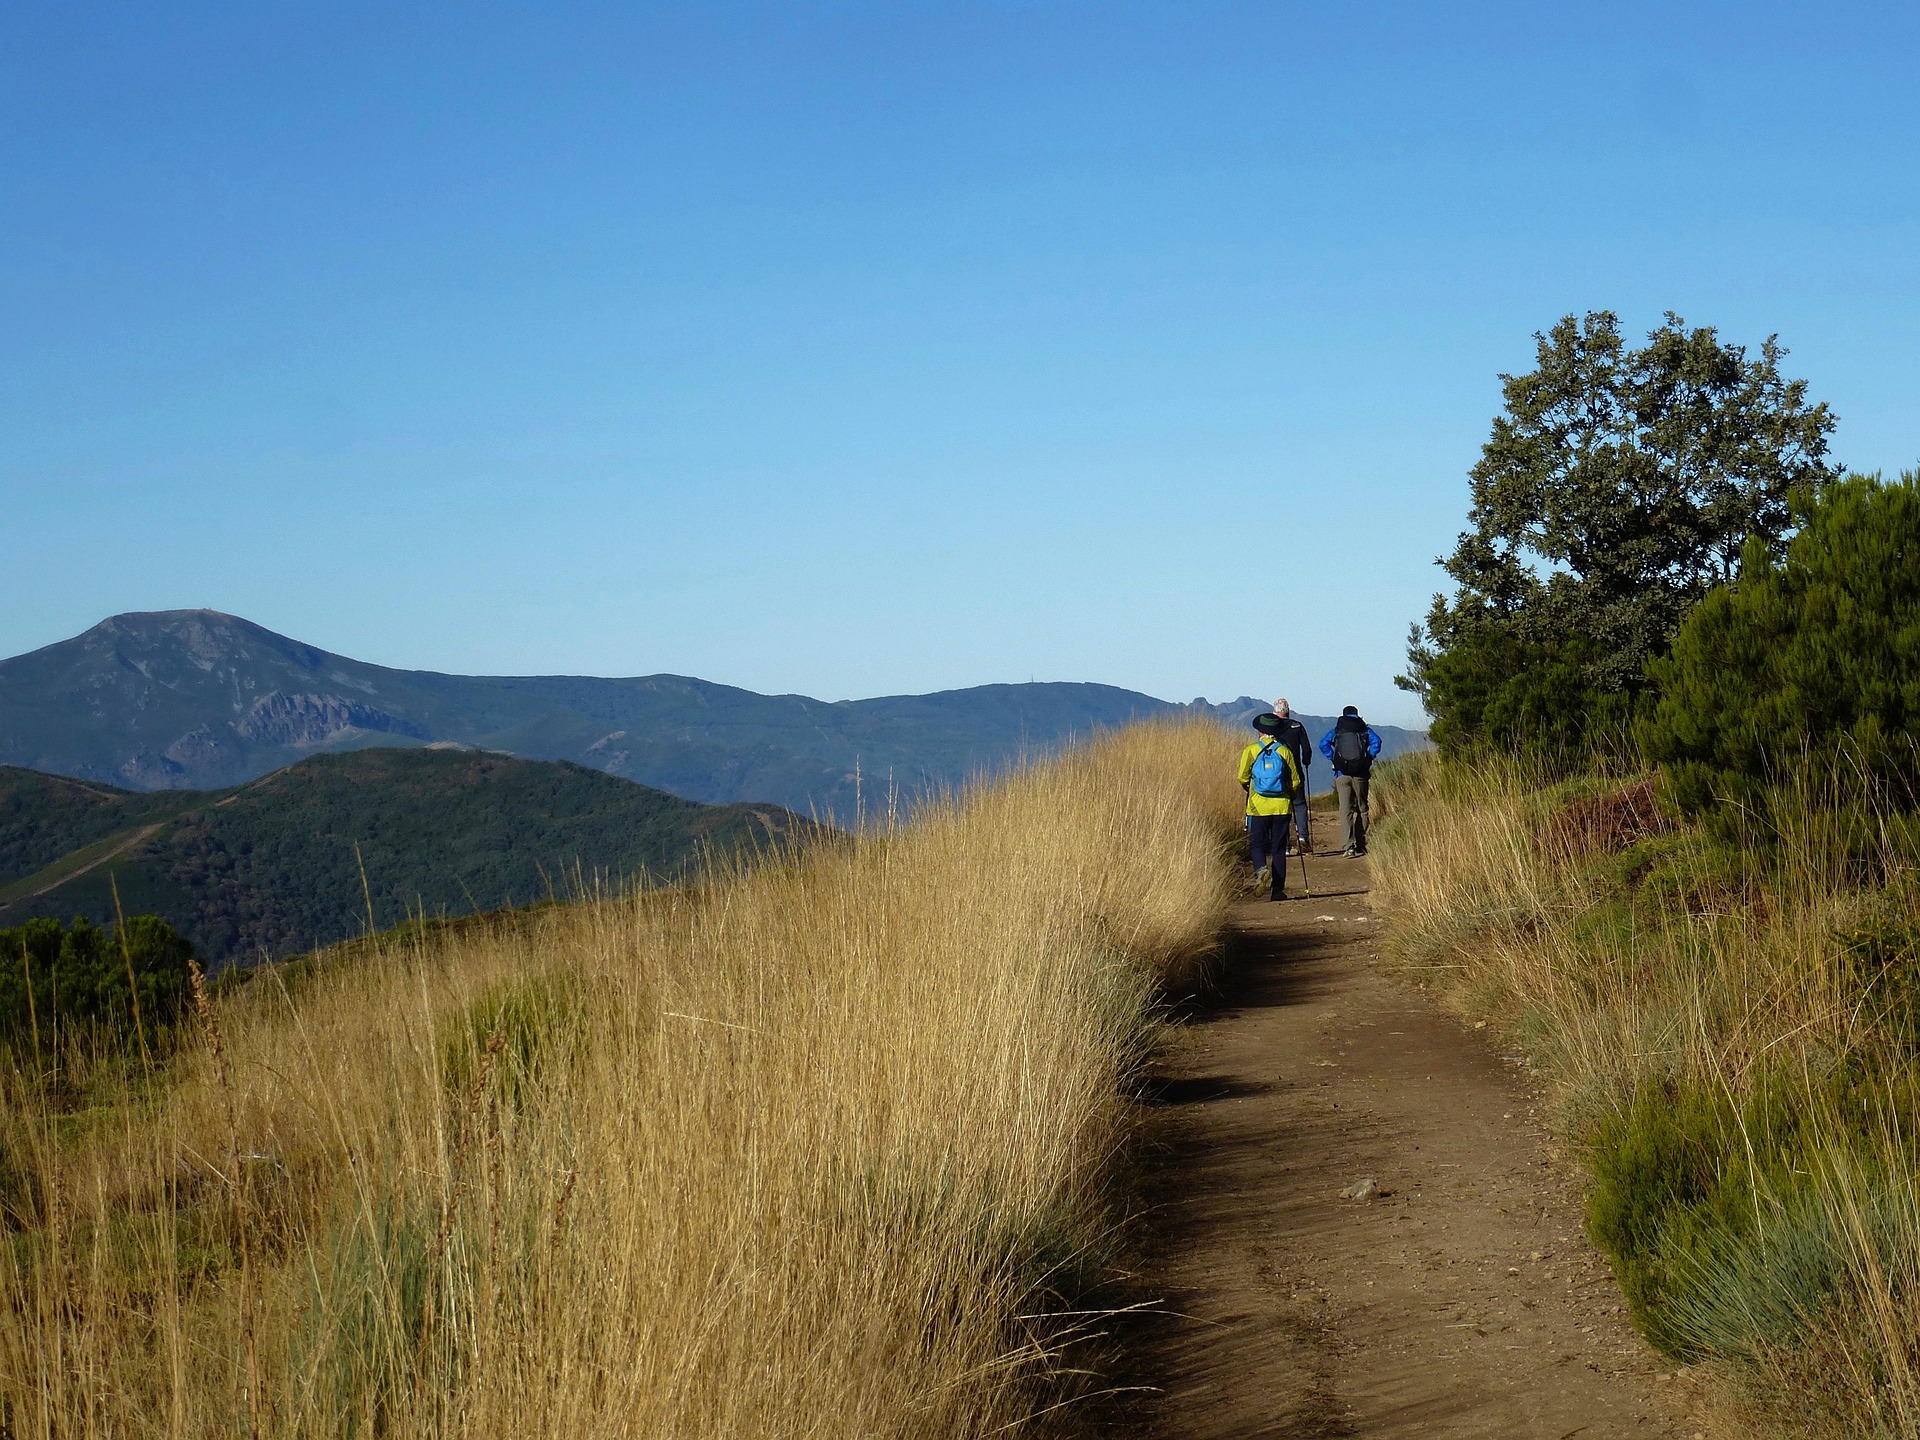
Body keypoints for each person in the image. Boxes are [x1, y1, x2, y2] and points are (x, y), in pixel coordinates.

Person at [1239, 712, 1304, 900]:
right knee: (1278, 848)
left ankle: (1261, 870)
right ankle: (1277, 891)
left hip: (1257, 807)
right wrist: (1289, 795)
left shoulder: (1250, 750)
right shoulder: (1284, 751)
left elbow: (1242, 777)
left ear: (1259, 730)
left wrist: (1249, 787)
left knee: (1257, 845)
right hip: (1281, 807)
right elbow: (1295, 780)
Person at [1318, 705, 1382, 857]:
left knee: (1345, 809)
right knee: (1362, 808)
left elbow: (1323, 744)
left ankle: (1349, 846)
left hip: (1342, 774)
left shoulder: (1338, 730)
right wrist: (1368, 757)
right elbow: (1377, 742)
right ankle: (1361, 843)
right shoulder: (1364, 729)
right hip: (1361, 773)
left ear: (1344, 715)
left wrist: (1334, 758)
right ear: (1357, 714)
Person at [1269, 698, 1313, 854]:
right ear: (1288, 711)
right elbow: (1306, 748)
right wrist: (1305, 761)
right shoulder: (1297, 726)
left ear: (1275, 711)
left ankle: (1285, 846)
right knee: (1299, 804)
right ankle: (1303, 836)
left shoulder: (1270, 727)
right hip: (1296, 772)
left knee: (1283, 808)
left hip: (1275, 775)